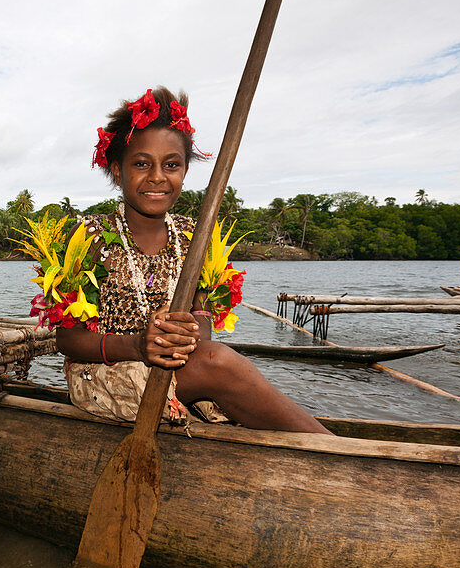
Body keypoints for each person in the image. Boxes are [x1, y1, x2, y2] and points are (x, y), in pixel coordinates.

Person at [52, 87, 330, 434]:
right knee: (219, 361)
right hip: (103, 376)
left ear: (183, 171)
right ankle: (339, 450)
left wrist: (186, 335)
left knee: (215, 359)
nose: (157, 176)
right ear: (117, 171)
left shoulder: (194, 238)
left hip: (182, 368)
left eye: (171, 165)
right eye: (141, 164)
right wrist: (139, 344)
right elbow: (67, 340)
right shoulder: (88, 237)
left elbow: (205, 324)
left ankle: (326, 448)